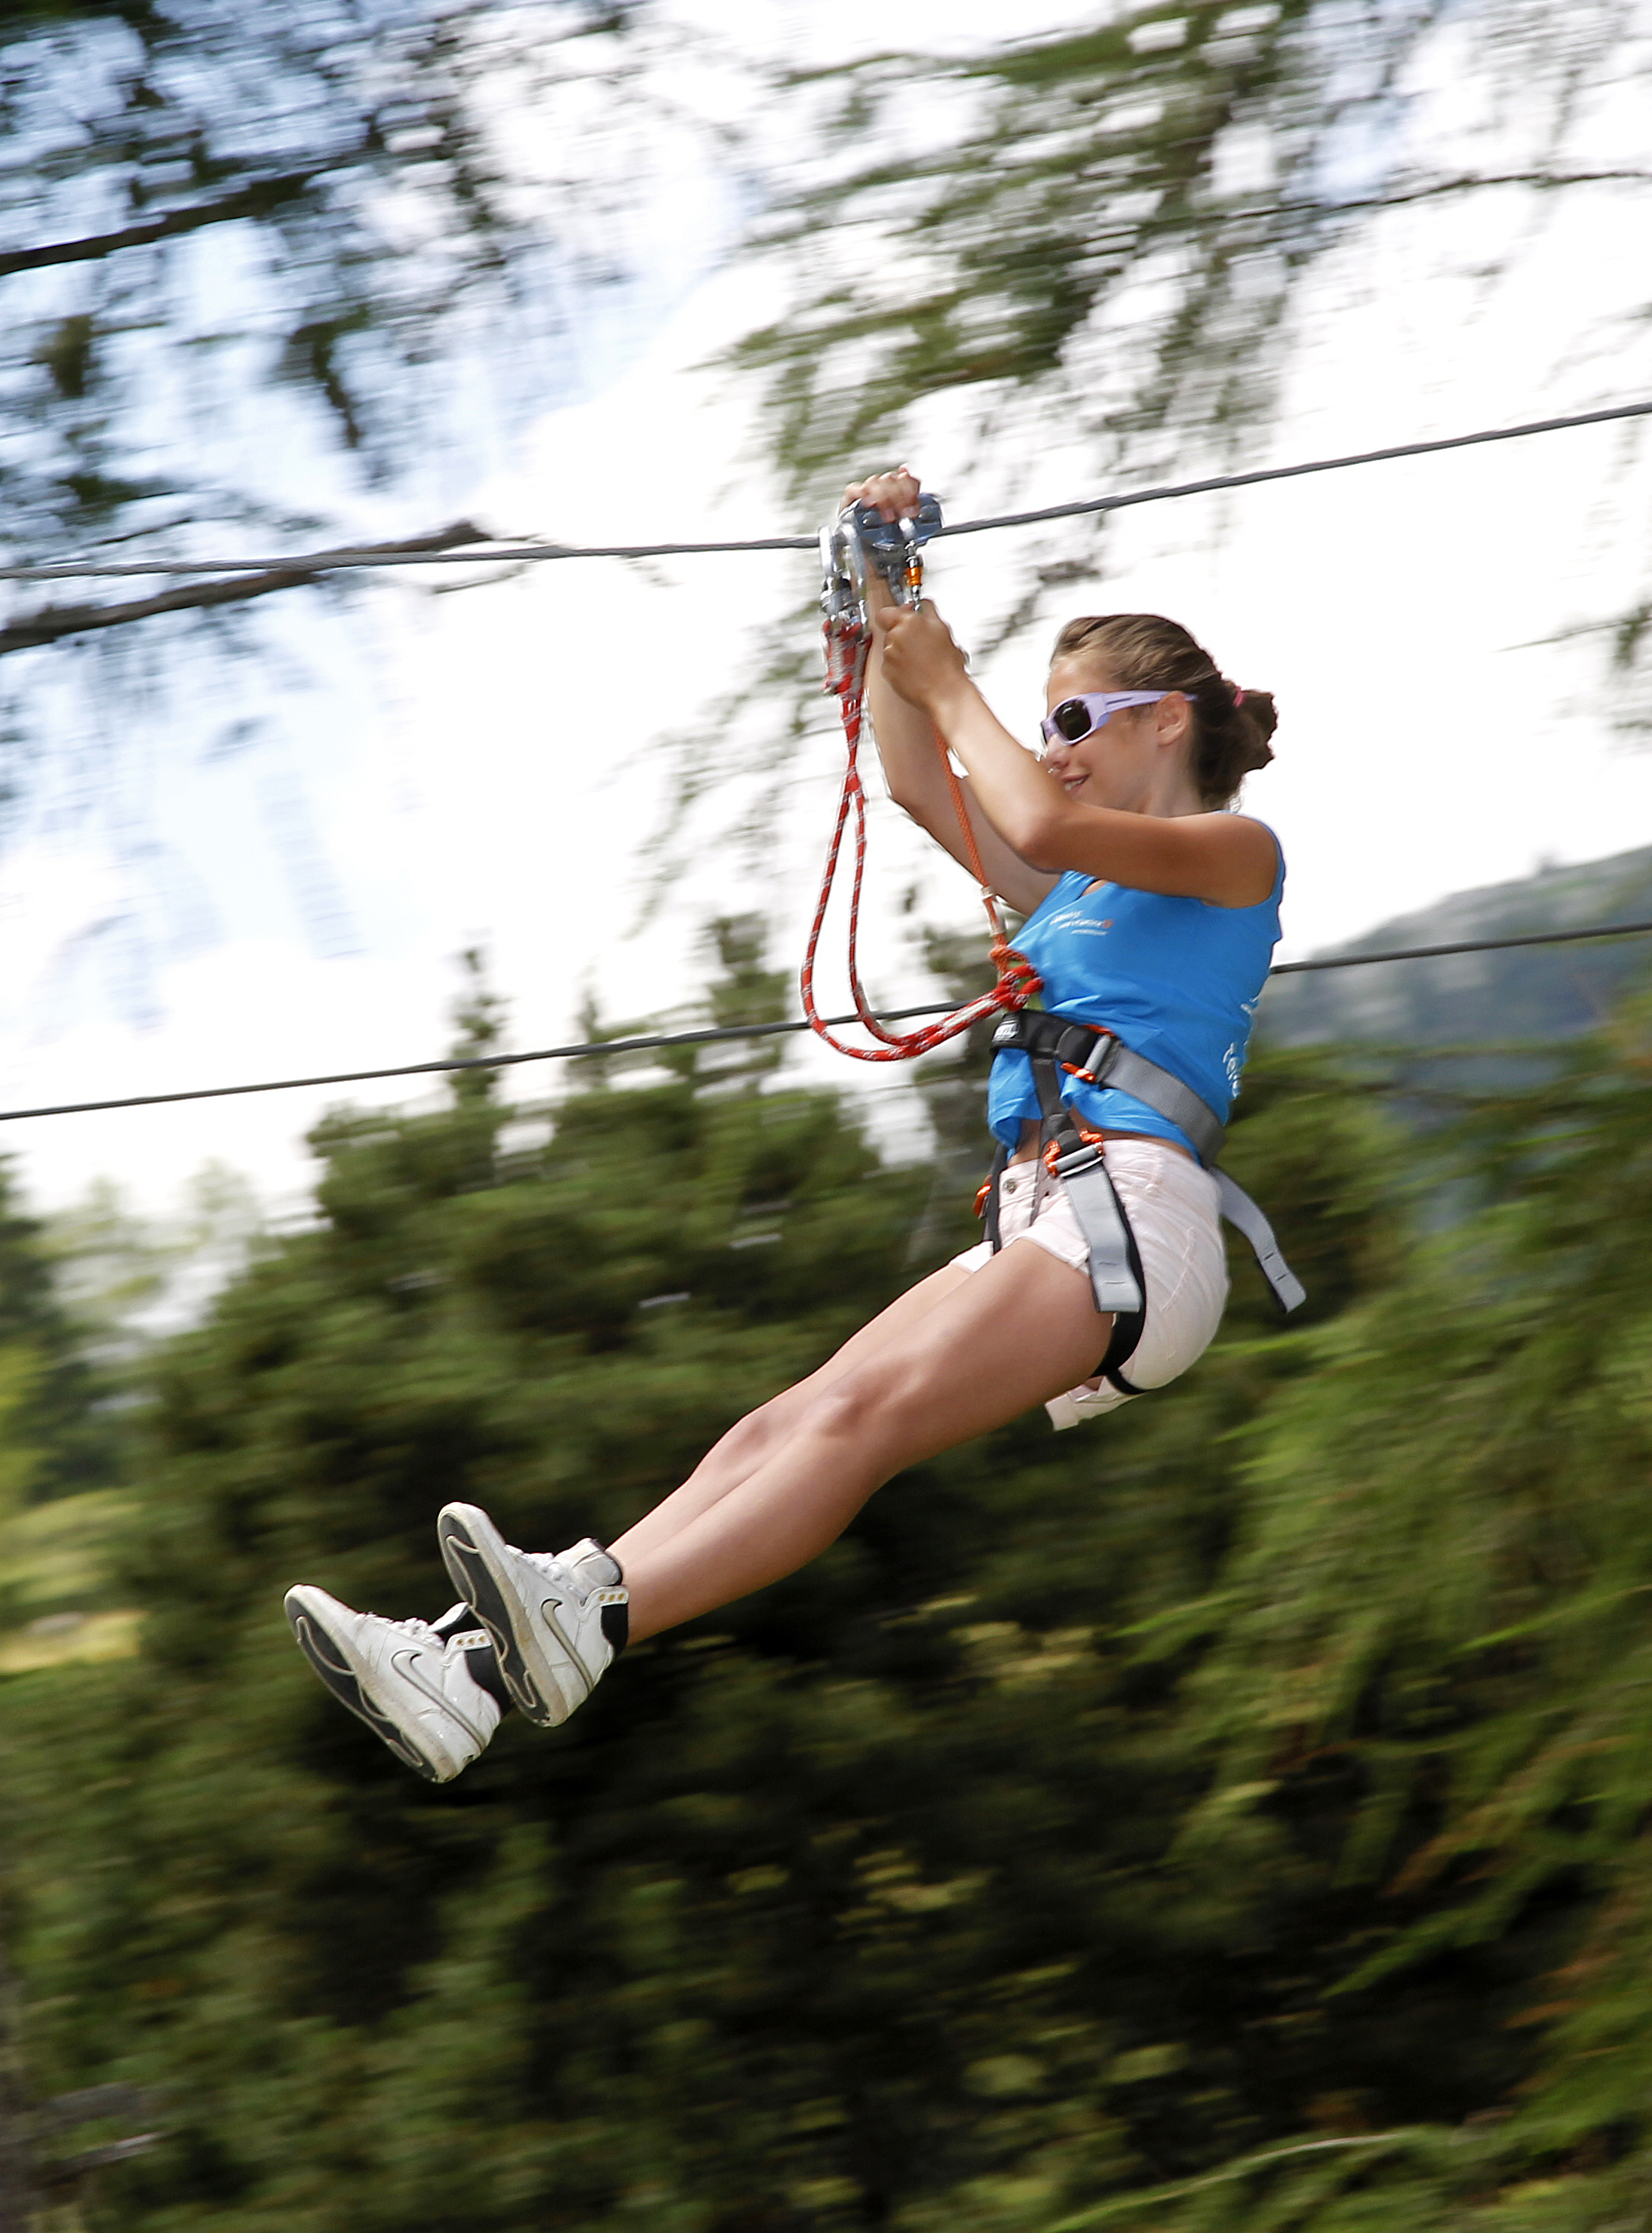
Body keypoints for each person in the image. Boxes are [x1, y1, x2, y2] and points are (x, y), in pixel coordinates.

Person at [284, 467, 1286, 1782]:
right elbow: (928, 785)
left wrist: (946, 675)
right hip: (1054, 1210)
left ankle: (592, 1618)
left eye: (1078, 718)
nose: (1053, 746)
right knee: (783, 1423)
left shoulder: (1236, 851)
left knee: (855, 1423)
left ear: (1168, 724)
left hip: (1131, 1223)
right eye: (1048, 723)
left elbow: (1028, 804)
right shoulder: (1067, 887)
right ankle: (475, 1669)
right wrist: (888, 599)